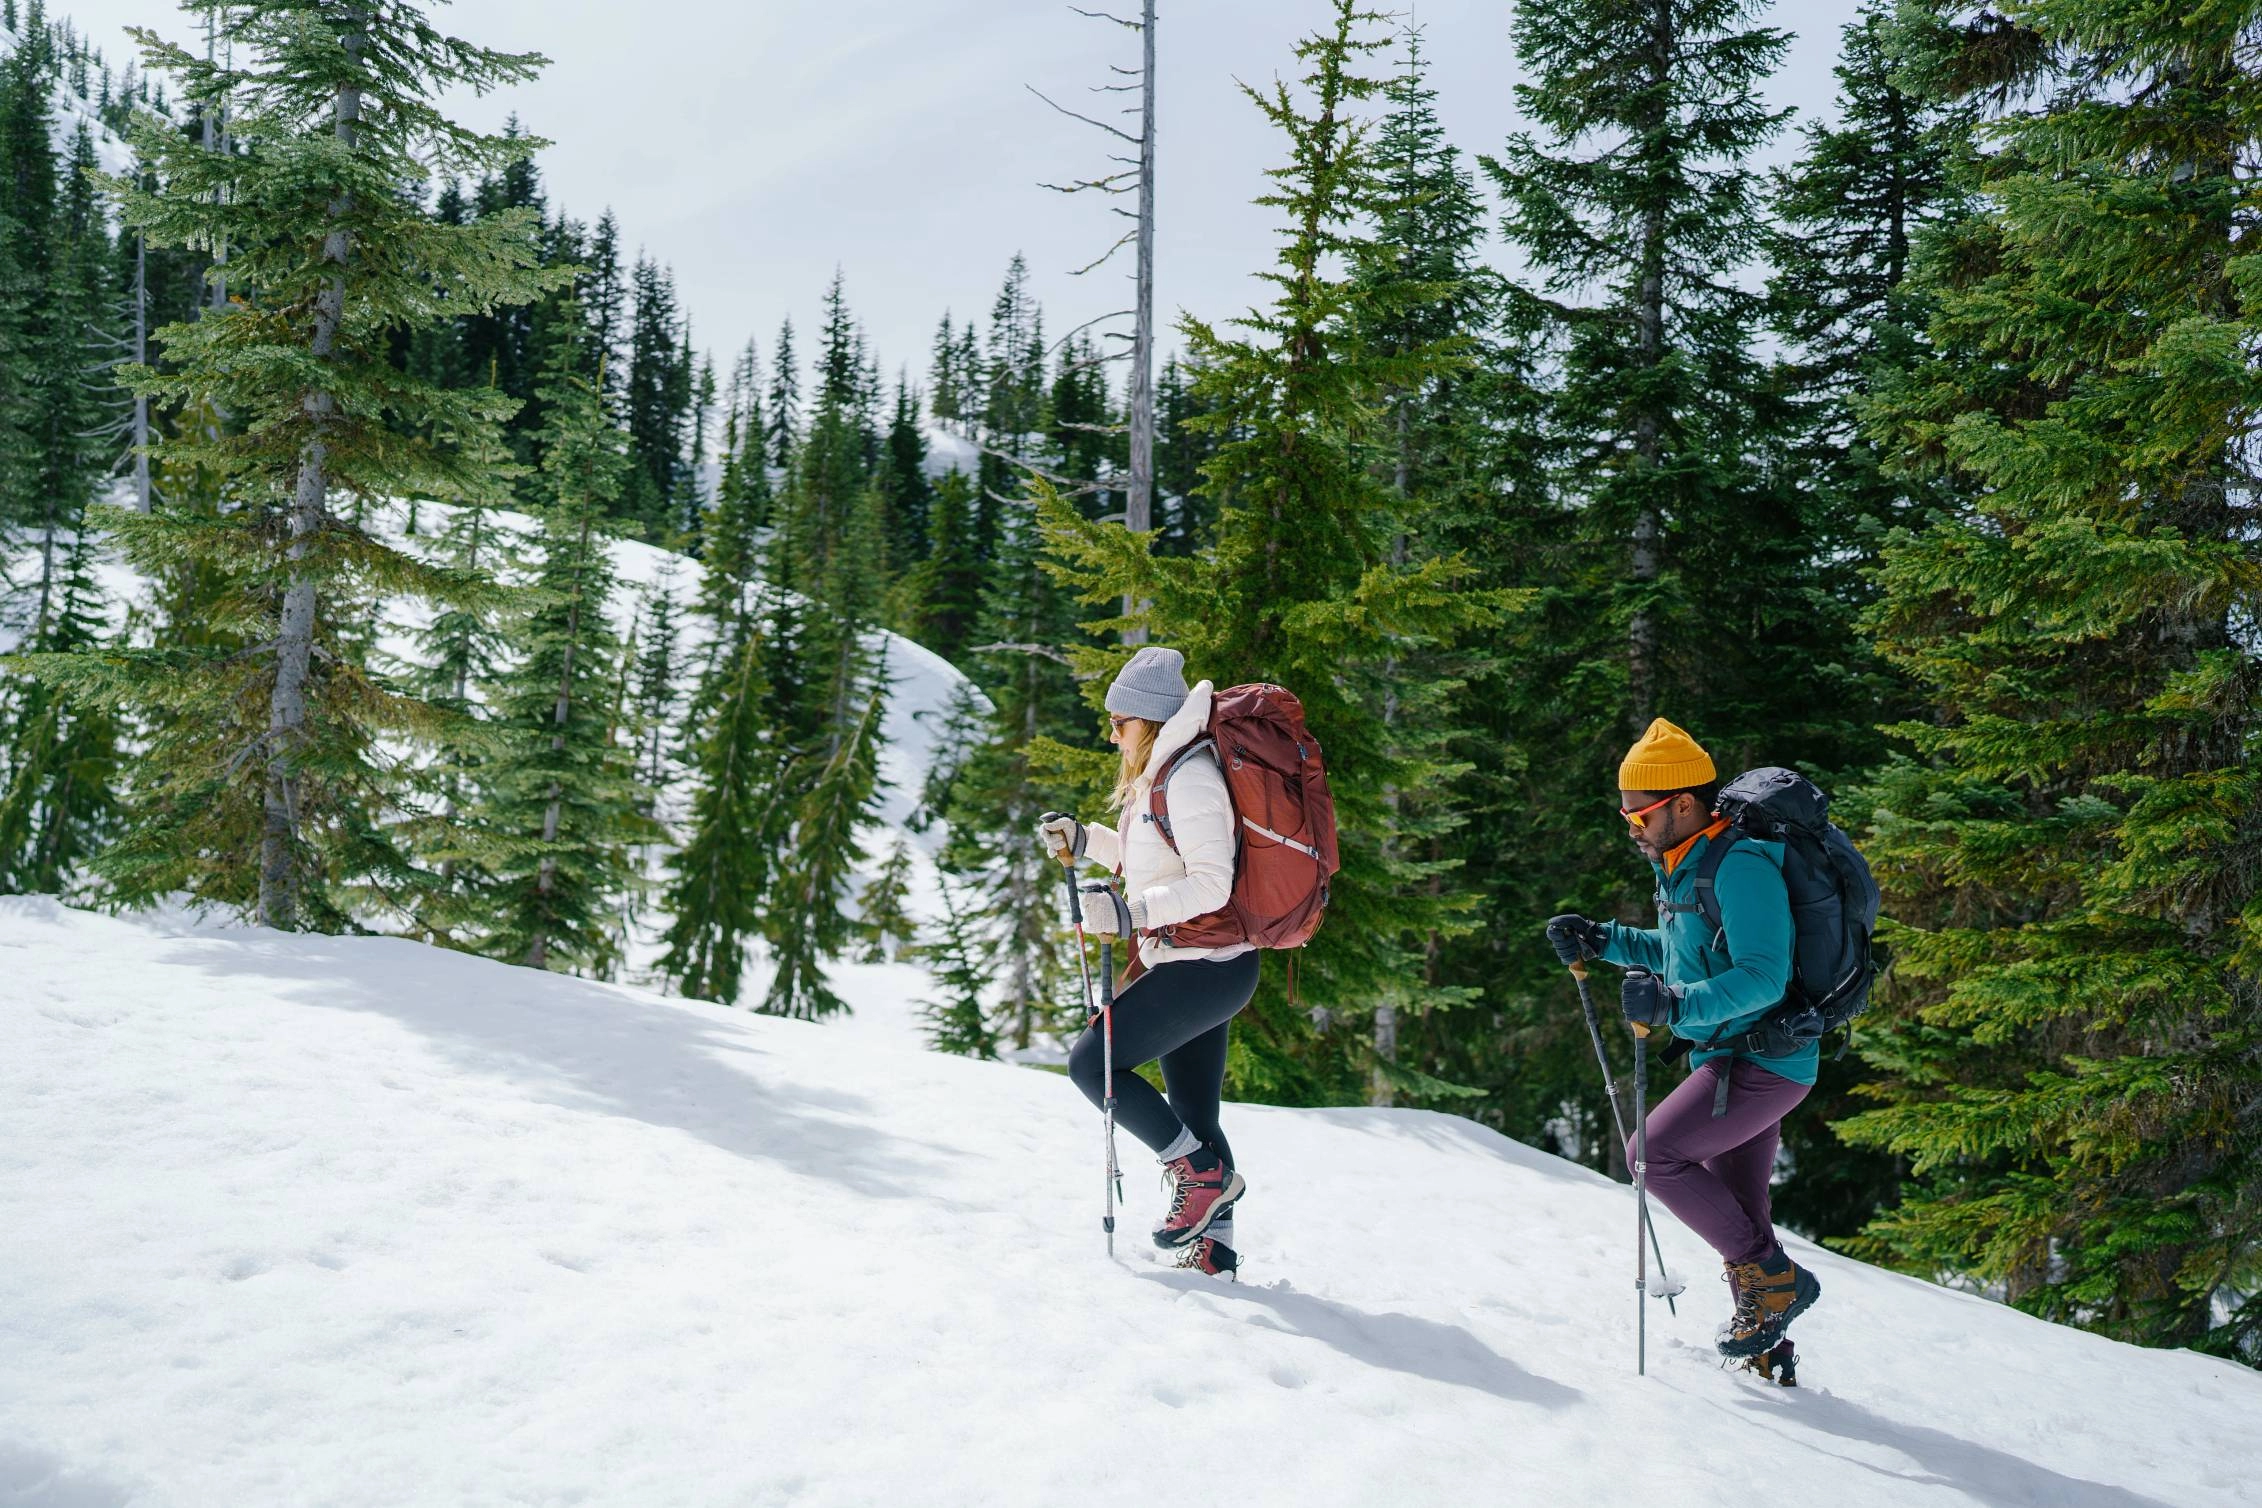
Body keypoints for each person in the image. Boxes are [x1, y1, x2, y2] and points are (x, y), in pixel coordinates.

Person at [1545, 717, 1822, 1359]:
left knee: (1653, 1155)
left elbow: (1763, 975)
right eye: (1626, 817)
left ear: (1686, 804)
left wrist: (1675, 1003)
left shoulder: (1740, 866)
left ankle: (1775, 1284)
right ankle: (1766, 1340)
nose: (1632, 829)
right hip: (1733, 1054)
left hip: (1766, 1059)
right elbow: (1681, 954)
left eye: (1640, 816)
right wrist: (1604, 938)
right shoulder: (1684, 864)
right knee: (1742, 1211)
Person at [1042, 647, 1257, 1278]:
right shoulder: (1163, 774)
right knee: (1194, 1112)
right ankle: (1214, 1250)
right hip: (1205, 965)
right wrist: (1088, 843)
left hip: (1205, 967)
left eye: (1120, 722)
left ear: (1152, 722)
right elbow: (1153, 862)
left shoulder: (1189, 778)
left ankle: (1198, 1174)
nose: (1111, 733)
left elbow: (1212, 882)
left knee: (1093, 1064)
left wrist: (1133, 914)